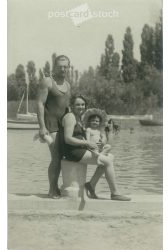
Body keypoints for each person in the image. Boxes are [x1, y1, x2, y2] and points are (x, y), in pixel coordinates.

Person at [60, 95, 131, 201]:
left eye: (83, 104)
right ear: (72, 106)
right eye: (77, 104)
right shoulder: (70, 117)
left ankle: (91, 185)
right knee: (107, 161)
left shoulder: (78, 117)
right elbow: (68, 139)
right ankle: (114, 193)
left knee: (110, 157)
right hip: (72, 151)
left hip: (80, 148)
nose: (81, 107)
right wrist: (87, 142)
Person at [37, 55, 71, 198]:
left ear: (68, 68)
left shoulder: (68, 84)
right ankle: (52, 189)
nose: (62, 69)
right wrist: (42, 127)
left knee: (63, 156)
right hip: (51, 126)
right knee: (56, 157)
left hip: (63, 126)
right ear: (54, 67)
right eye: (59, 66)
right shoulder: (47, 82)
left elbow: (67, 107)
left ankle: (61, 187)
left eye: (65, 66)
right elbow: (40, 103)